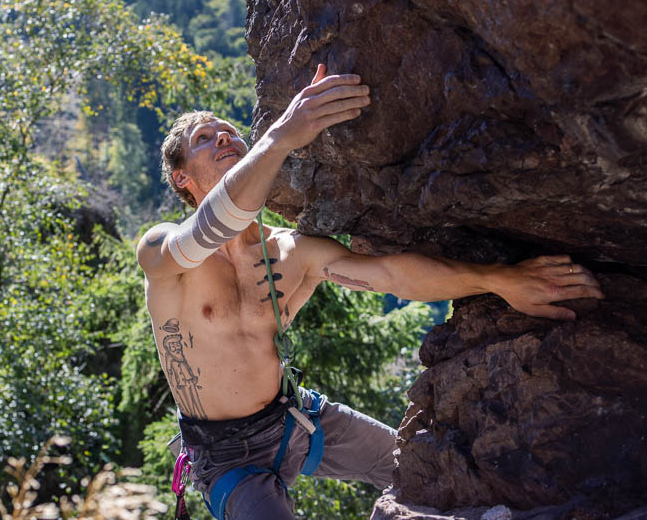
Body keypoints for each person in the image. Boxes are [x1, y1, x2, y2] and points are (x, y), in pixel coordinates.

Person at [136, 64, 604, 520]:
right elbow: (214, 225)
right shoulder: (164, 254)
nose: (224, 137)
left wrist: (500, 281)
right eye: (204, 138)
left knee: (425, 470)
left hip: (295, 418)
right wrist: (279, 136)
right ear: (182, 178)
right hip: (227, 457)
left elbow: (392, 276)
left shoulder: (291, 252)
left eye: (231, 132)